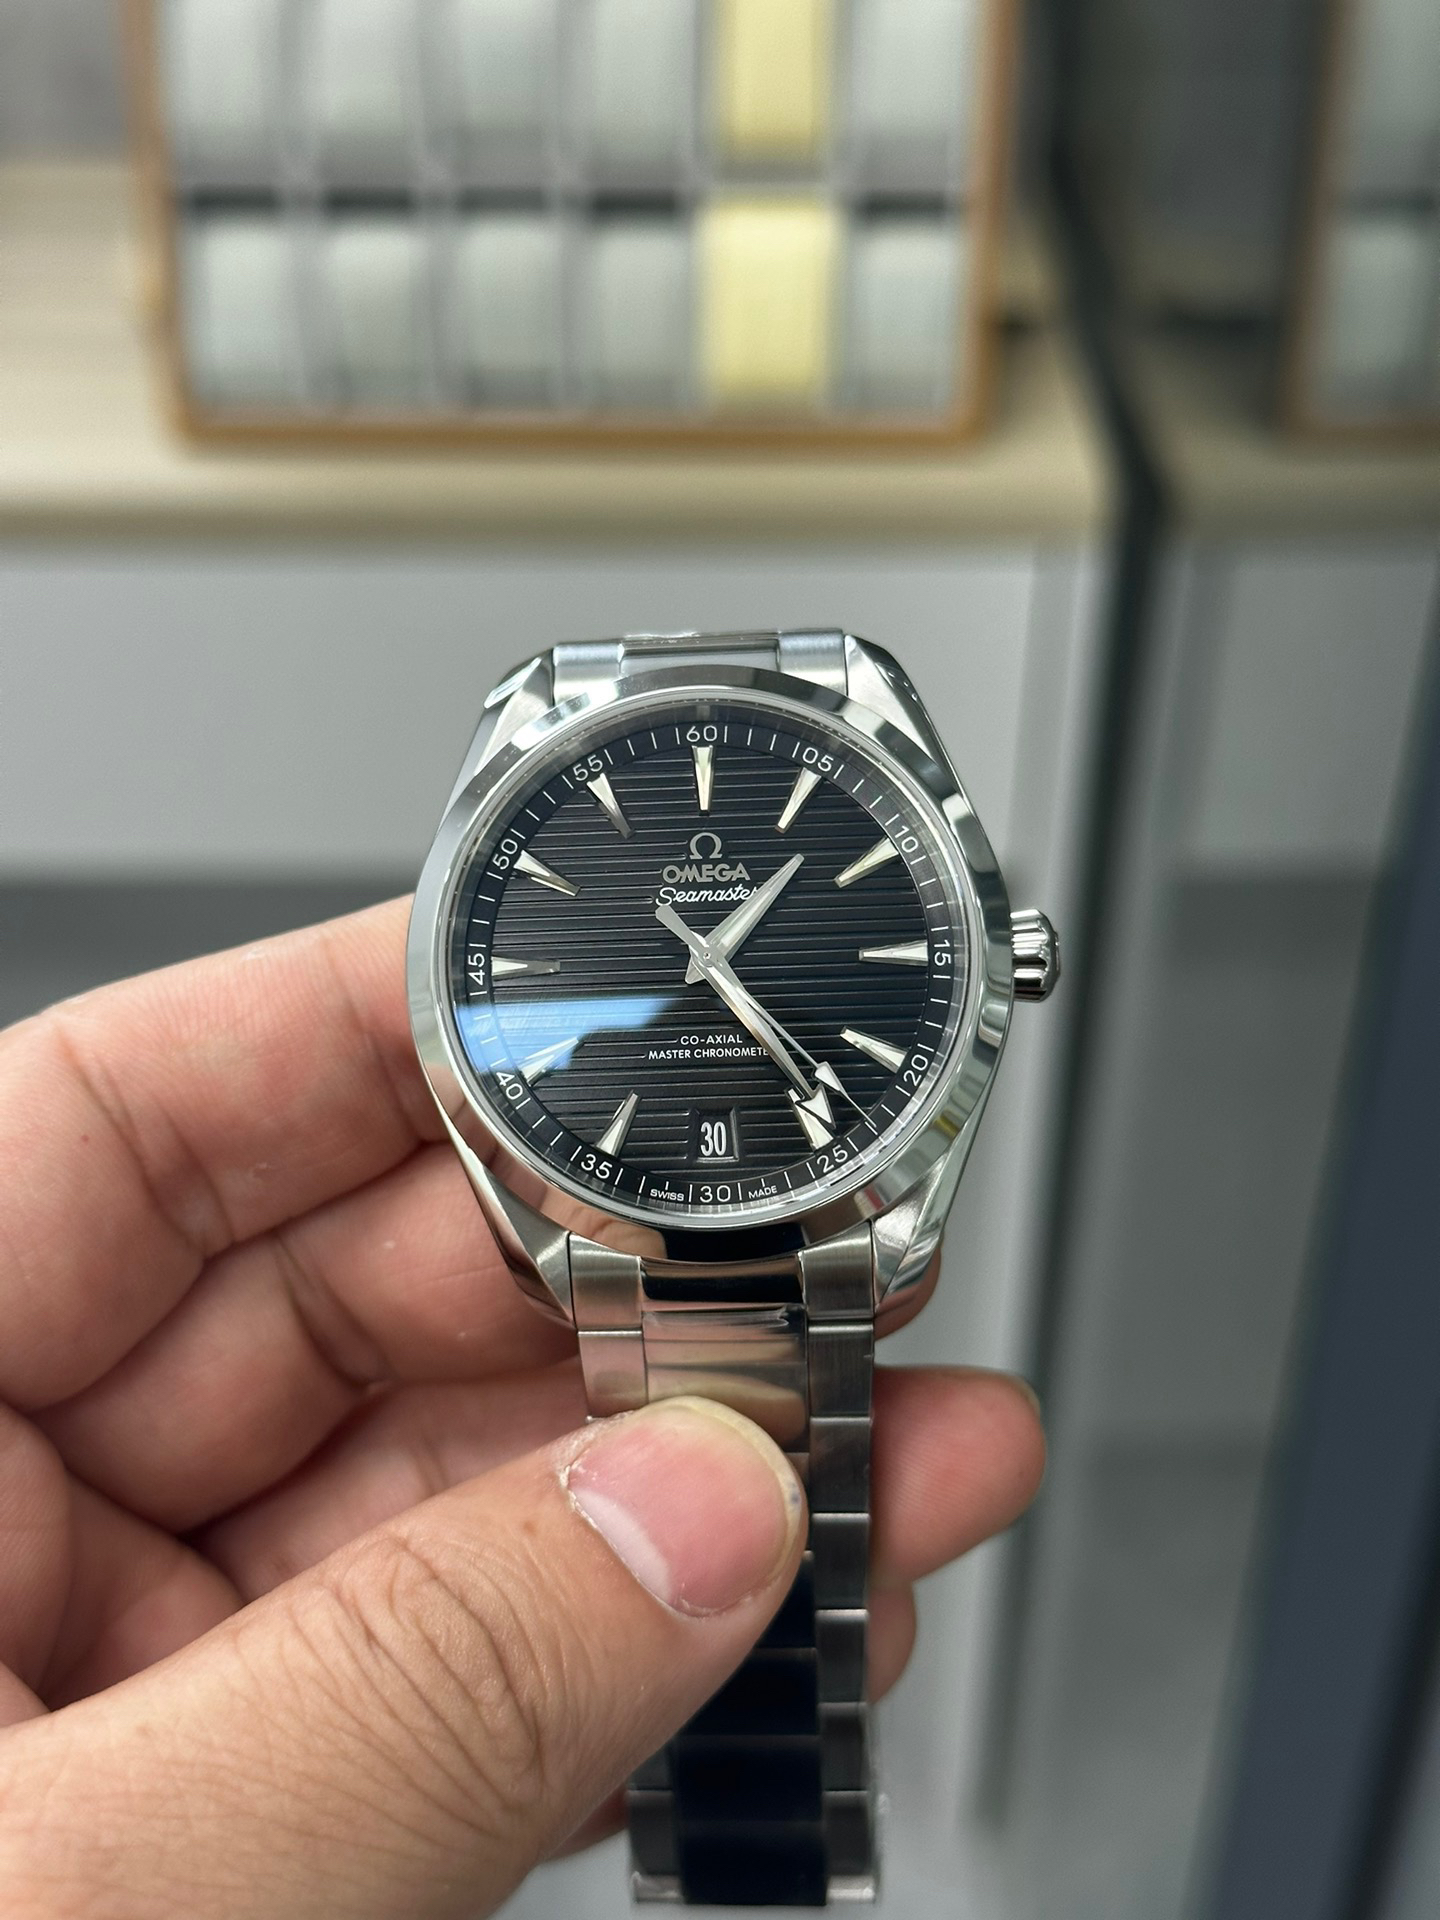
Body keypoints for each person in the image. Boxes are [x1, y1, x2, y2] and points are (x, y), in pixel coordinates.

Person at [0, 898, 1045, 1917]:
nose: (706, 964)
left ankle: (750, 1852)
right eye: (698, 948)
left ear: (1007, 965)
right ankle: (745, 1850)